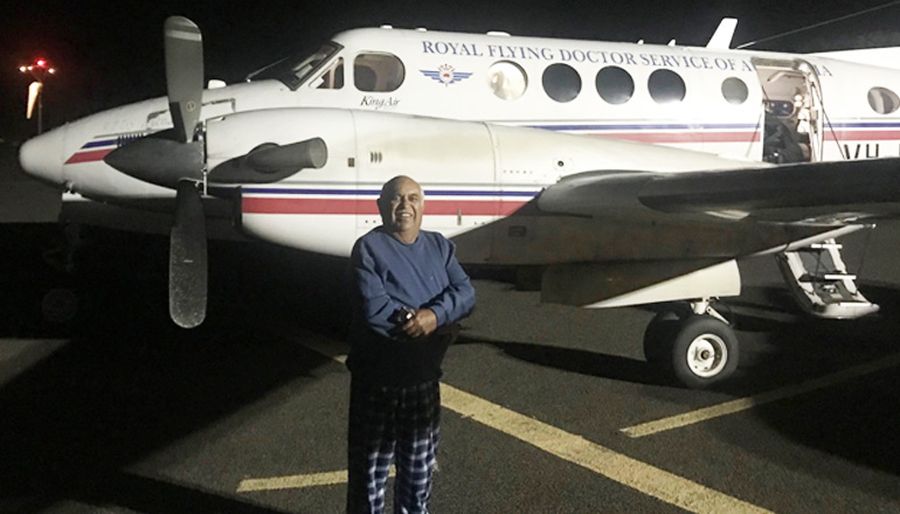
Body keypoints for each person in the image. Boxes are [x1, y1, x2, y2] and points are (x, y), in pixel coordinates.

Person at [346, 175, 475, 514]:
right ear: (380, 206)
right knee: (367, 486)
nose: (405, 206)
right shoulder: (368, 249)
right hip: (378, 385)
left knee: (417, 485)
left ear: (423, 205)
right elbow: (377, 312)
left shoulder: (440, 247)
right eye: (396, 198)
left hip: (422, 383)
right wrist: (439, 324)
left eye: (413, 198)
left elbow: (466, 293)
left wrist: (433, 316)